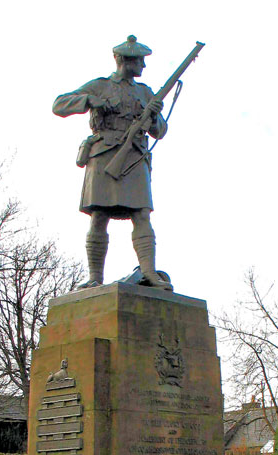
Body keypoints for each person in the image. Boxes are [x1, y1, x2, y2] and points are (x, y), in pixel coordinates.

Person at [53, 35, 172, 290]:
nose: (143, 66)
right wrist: (87, 100)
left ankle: (150, 272)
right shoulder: (99, 86)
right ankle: (95, 277)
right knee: (99, 215)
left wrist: (152, 118)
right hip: (104, 154)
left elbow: (160, 131)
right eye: (139, 60)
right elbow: (59, 105)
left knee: (142, 214)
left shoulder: (145, 92)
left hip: (134, 157)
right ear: (123, 60)